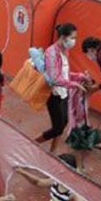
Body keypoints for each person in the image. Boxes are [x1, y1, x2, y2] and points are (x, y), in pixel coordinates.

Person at [35, 23, 85, 153]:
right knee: (57, 128)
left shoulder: (64, 51)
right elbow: (54, 78)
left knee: (64, 122)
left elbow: (64, 73)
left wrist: (79, 76)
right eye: (73, 38)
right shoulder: (51, 53)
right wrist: (74, 85)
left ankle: (53, 152)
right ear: (63, 37)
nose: (74, 41)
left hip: (64, 92)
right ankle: (33, 143)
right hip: (54, 95)